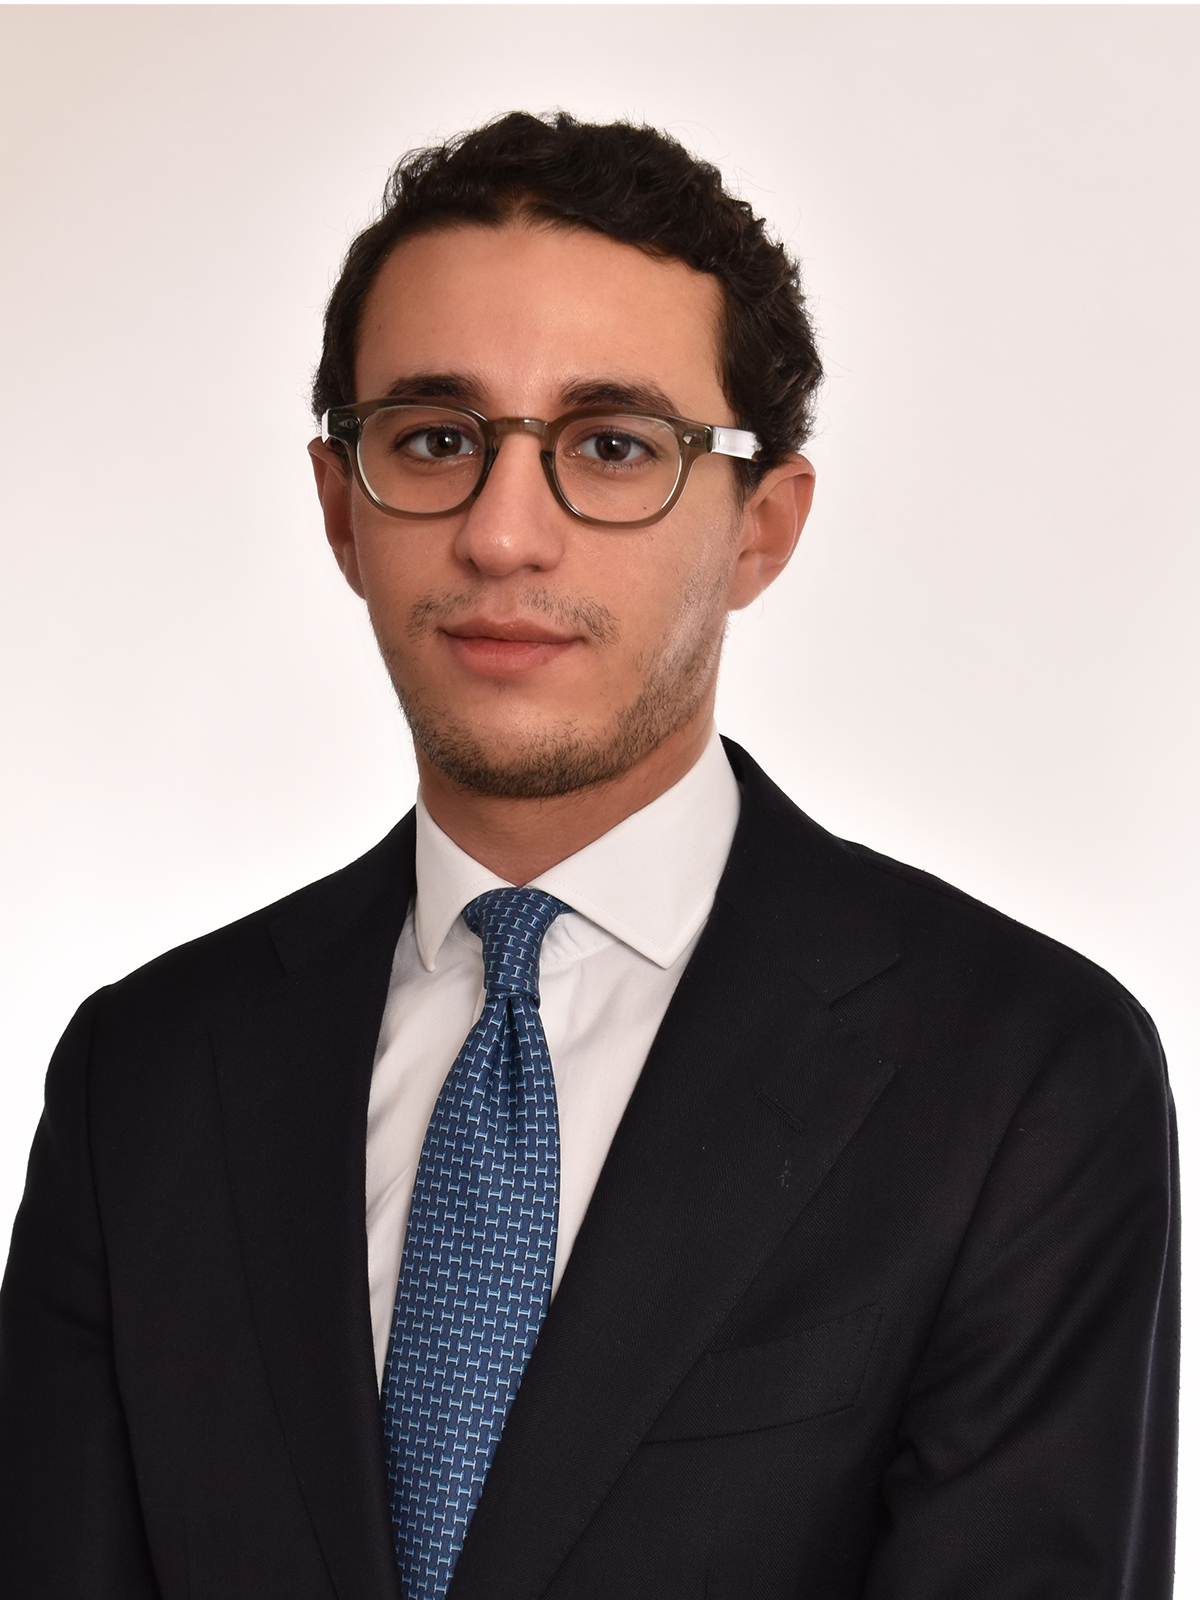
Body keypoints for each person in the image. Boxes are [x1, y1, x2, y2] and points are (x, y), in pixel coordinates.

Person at [0, 110, 1178, 1600]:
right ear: (340, 509)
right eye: (435, 440)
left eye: (613, 447)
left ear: (762, 527)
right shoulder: (143, 1080)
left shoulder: (1023, 1077)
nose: (503, 536)